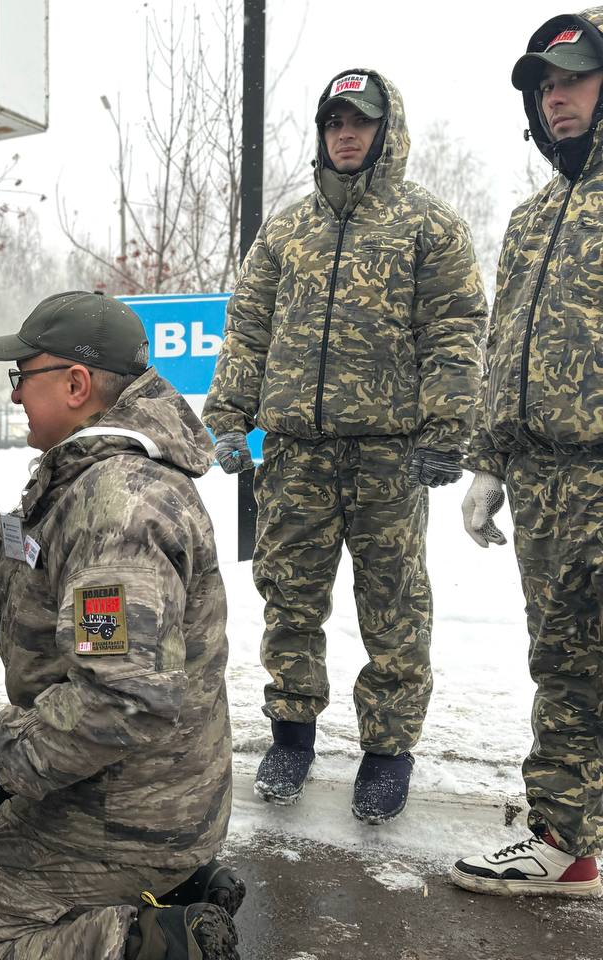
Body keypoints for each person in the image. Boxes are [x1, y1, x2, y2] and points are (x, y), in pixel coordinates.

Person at [0, 291, 243, 959]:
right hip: (128, 782)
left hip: (130, 808)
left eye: (22, 376)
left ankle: (157, 940)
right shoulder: (88, 478)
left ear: (77, 384)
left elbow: (120, 699)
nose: (17, 393)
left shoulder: (119, 508)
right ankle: (168, 889)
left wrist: (1, 768)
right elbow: (19, 552)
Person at [202, 68, 487, 823]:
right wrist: (230, 417)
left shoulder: (428, 224)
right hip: (297, 452)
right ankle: (292, 737)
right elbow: (250, 326)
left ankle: (387, 753)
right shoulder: (288, 228)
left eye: (359, 121)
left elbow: (456, 328)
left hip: (389, 455)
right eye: (334, 122)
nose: (345, 134)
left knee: (393, 607)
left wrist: (445, 429)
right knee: (288, 599)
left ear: (386, 130)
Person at [451, 9, 603, 898]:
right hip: (547, 484)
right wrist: (489, 464)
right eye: (545, 86)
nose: (558, 98)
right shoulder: (533, 217)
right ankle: (565, 840)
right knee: (567, 668)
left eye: (574, 77)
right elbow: (503, 346)